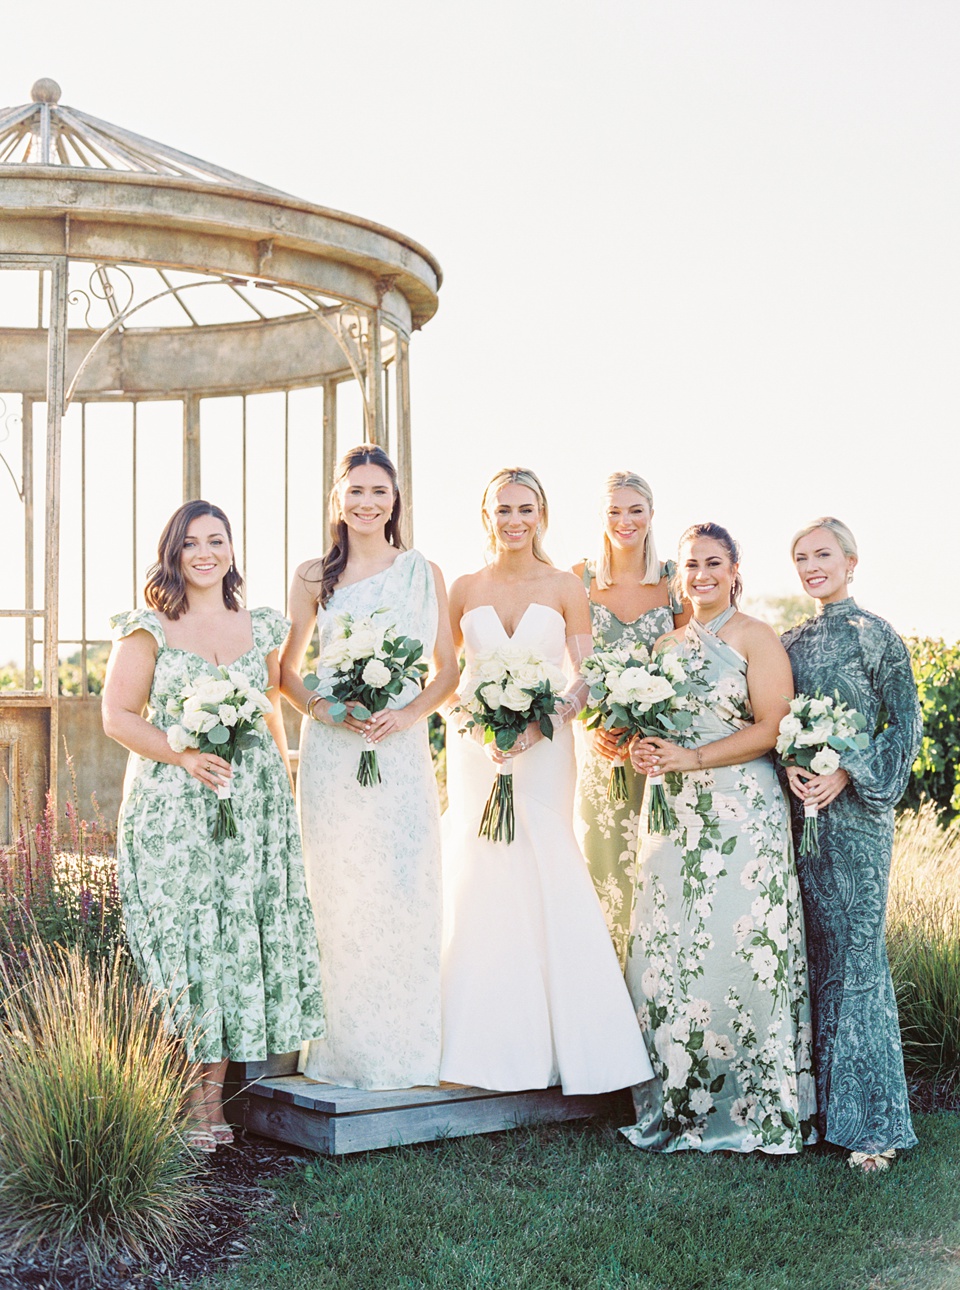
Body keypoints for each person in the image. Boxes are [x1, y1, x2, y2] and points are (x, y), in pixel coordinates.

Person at [102, 501, 326, 1153]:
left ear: (232, 550)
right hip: (173, 811)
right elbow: (118, 715)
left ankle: (210, 1107)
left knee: (229, 950)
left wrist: (280, 790)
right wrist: (182, 752)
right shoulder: (149, 627)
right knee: (182, 950)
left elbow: (272, 712)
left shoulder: (258, 626)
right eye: (192, 542)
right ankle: (170, 1100)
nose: (205, 552)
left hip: (248, 809)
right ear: (172, 552)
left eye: (217, 541)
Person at [439, 467, 652, 1094]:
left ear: (542, 516)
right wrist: (479, 731)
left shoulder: (566, 586)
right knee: (480, 872)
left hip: (545, 746)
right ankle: (477, 1046)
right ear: (486, 516)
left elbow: (584, 674)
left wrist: (543, 724)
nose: (514, 521)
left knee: (544, 865)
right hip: (478, 752)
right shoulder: (462, 587)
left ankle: (570, 1050)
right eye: (502, 509)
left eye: (525, 509)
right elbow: (447, 676)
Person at [623, 521, 816, 1154]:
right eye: (690, 565)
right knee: (671, 953)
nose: (701, 575)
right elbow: (652, 733)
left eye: (713, 563)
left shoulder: (757, 637)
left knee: (741, 950)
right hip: (672, 816)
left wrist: (695, 759)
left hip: (742, 816)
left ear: (734, 570)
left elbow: (772, 729)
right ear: (678, 575)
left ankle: (755, 1108)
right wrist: (644, 751)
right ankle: (680, 1102)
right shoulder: (662, 648)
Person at [280, 445, 458, 1091]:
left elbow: (448, 671)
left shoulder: (422, 572)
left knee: (405, 888)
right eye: (355, 491)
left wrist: (407, 715)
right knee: (340, 894)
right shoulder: (311, 578)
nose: (366, 503)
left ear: (395, 500)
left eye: (378, 491)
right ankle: (342, 1053)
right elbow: (286, 671)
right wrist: (323, 707)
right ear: (337, 499)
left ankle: (405, 1051)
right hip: (333, 751)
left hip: (399, 747)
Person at [781, 517, 921, 1172]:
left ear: (852, 560)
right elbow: (774, 719)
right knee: (813, 954)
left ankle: (873, 1130)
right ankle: (816, 1114)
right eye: (802, 558)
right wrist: (793, 766)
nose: (812, 567)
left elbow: (907, 724)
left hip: (860, 814)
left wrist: (846, 769)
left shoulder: (878, 636)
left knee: (860, 957)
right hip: (802, 816)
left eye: (823, 555)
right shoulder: (789, 642)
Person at [571, 471, 688, 966]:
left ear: (651, 515)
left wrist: (652, 727)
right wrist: (594, 724)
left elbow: (692, 664)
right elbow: (572, 667)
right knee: (602, 868)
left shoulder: (675, 579)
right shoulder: (577, 579)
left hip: (659, 749)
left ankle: (658, 983)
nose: (625, 521)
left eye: (635, 510)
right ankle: (606, 989)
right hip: (599, 746)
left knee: (660, 865)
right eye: (615, 511)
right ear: (602, 517)